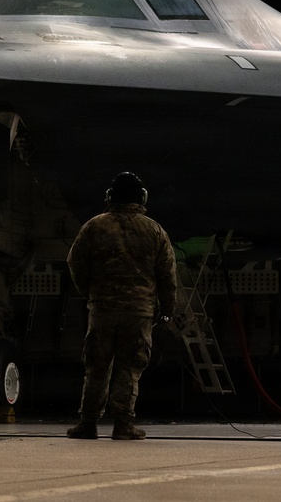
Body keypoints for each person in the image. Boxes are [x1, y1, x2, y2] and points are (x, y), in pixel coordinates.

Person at [66, 171, 178, 440]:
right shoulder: (154, 230)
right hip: (138, 312)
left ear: (109, 197)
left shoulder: (94, 226)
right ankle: (123, 425)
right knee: (130, 367)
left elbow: (75, 263)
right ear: (142, 198)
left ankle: (88, 423)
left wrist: (89, 292)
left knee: (97, 366)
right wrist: (167, 309)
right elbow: (167, 275)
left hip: (102, 309)